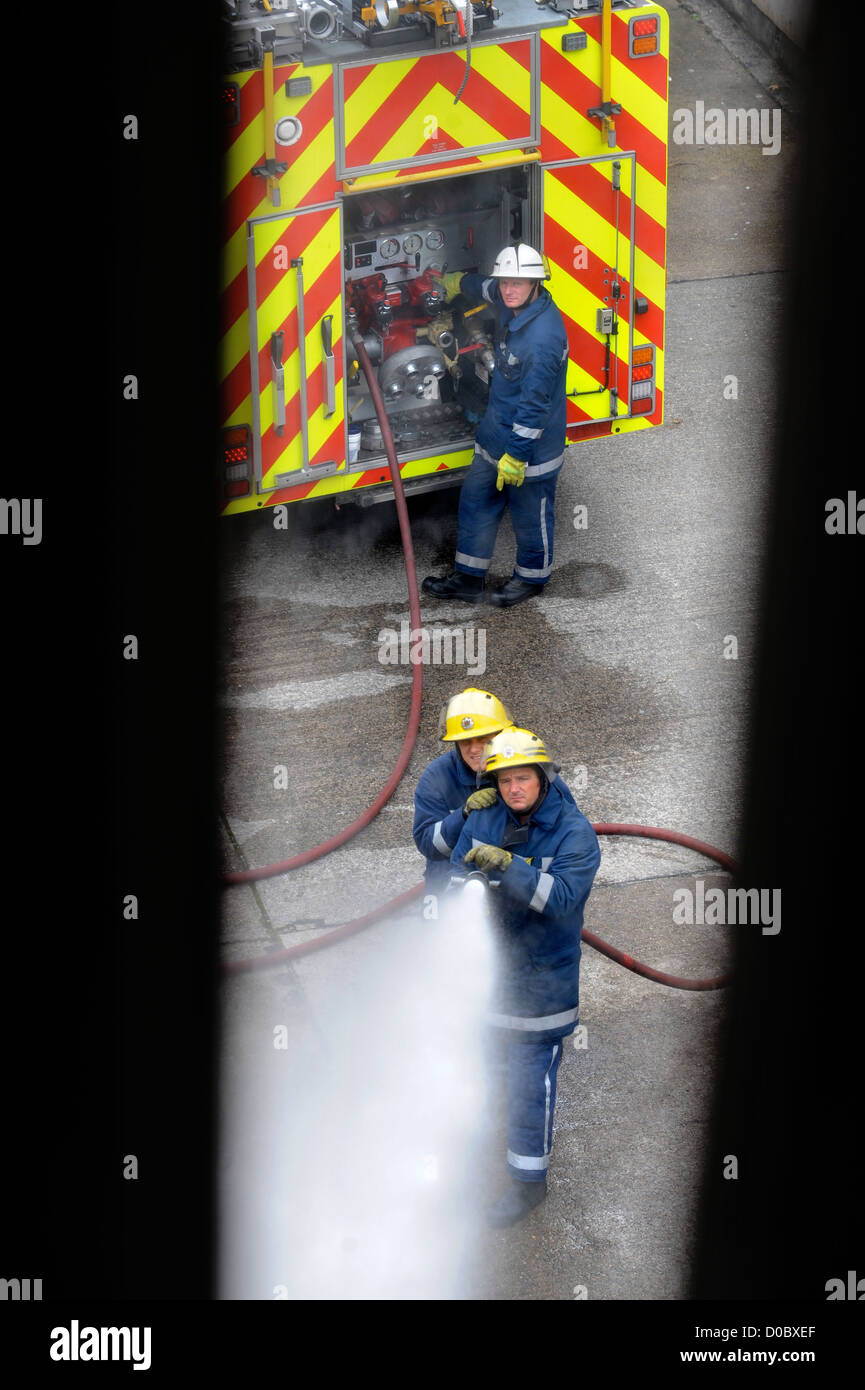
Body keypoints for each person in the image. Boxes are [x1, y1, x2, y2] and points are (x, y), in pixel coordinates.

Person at [448, 725, 600, 1227]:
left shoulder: (575, 834)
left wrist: (509, 866)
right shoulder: (487, 816)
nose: (514, 789)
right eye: (505, 779)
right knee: (486, 1071)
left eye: (523, 779)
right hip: (489, 977)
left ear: (544, 777)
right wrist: (468, 884)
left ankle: (528, 1183)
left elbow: (559, 899)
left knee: (529, 1086)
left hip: (541, 986)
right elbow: (456, 870)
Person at [422, 244, 570, 608]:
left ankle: (531, 580)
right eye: (506, 282)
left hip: (530, 447)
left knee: (529, 513)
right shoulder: (511, 301)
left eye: (517, 283)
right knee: (476, 503)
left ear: (535, 283)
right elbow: (484, 288)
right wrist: (456, 282)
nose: (508, 289)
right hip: (495, 433)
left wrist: (517, 457)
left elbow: (535, 407)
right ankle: (469, 579)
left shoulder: (543, 339)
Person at [412, 687, 512, 899]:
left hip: (513, 884)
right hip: (449, 885)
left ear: (500, 735)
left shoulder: (529, 771)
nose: (474, 749)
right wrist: (463, 814)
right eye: (466, 741)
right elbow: (429, 845)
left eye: (483, 738)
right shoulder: (437, 777)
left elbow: (565, 831)